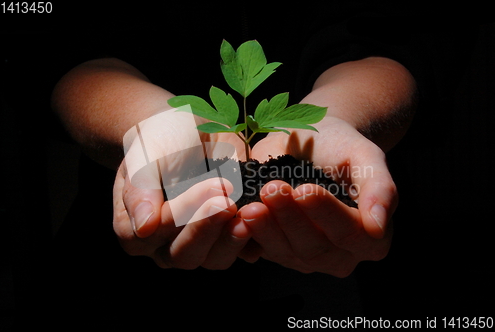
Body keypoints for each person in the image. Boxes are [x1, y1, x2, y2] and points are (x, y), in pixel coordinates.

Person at [47, 3, 421, 328]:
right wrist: (148, 120)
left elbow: (390, 33)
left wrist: (343, 114)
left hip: (350, 279)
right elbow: (66, 47)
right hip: (124, 288)